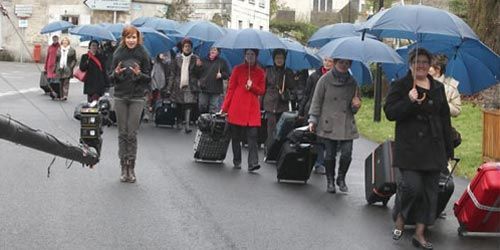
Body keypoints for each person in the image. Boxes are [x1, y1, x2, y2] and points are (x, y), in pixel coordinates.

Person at [384, 48, 453, 250]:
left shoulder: (438, 87)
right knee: (413, 188)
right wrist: (409, 100)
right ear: (410, 64)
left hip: (433, 148)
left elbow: (444, 120)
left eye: (425, 62)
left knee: (430, 193)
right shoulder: (401, 85)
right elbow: (390, 113)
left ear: (430, 64)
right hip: (410, 149)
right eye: (417, 61)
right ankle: (401, 216)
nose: (421, 65)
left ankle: (420, 234)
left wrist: (448, 149)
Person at [308, 58, 361, 193]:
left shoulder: (353, 83)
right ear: (335, 63)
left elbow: (354, 107)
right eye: (341, 62)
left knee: (347, 154)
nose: (343, 65)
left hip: (346, 123)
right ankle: (330, 180)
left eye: (347, 63)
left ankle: (341, 178)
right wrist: (313, 120)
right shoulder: (324, 80)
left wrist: (356, 105)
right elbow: (316, 100)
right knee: (330, 154)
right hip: (328, 122)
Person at [110, 25, 152, 183]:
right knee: (122, 133)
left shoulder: (143, 53)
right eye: (128, 37)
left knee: (131, 134)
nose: (131, 40)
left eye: (134, 37)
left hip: (137, 97)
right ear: (124, 38)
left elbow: (148, 78)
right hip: (120, 96)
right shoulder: (118, 53)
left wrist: (139, 74)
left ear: (138, 38)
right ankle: (123, 167)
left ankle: (131, 167)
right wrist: (116, 73)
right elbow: (110, 76)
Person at [221, 49, 265, 172]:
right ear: (244, 56)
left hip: (252, 109)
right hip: (237, 107)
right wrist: (225, 108)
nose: (249, 57)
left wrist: (252, 87)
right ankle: (237, 160)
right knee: (236, 136)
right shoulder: (237, 69)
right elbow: (230, 89)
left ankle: (253, 163)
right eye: (247, 54)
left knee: (253, 136)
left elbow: (261, 90)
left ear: (256, 56)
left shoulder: (261, 72)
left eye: (252, 54)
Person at [299, 56, 335, 175]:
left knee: (327, 139)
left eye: (330, 61)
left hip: (330, 112)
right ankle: (319, 163)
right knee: (317, 138)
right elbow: (306, 94)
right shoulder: (314, 76)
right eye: (326, 60)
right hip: (314, 110)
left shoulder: (336, 79)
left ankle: (323, 161)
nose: (327, 63)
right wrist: (301, 111)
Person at [263, 48, 295, 151]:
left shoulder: (288, 72)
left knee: (281, 127)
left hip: (282, 103)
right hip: (270, 102)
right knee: (271, 127)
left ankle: (278, 148)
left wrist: (285, 85)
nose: (279, 60)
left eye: (281, 58)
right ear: (274, 59)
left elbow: (292, 87)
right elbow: (264, 86)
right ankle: (270, 147)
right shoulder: (268, 70)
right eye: (277, 58)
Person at [167, 38, 203, 133]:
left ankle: (187, 125)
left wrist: (199, 66)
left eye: (189, 47)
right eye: (185, 46)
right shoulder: (177, 57)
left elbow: (198, 74)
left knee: (188, 105)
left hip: (191, 85)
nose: (187, 48)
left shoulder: (195, 58)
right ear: (182, 48)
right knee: (179, 105)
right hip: (179, 84)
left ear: (191, 48)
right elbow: (173, 73)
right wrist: (169, 88)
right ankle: (179, 122)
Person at [198, 47, 230, 114]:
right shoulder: (203, 60)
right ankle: (203, 120)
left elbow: (227, 74)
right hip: (204, 87)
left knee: (213, 107)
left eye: (215, 50)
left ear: (218, 52)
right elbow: (197, 73)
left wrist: (221, 75)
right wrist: (197, 66)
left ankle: (211, 122)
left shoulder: (222, 62)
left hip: (215, 88)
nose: (212, 51)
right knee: (202, 105)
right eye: (211, 49)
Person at [54, 36, 77, 101]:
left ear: (68, 42)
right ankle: (61, 96)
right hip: (60, 68)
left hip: (67, 68)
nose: (65, 42)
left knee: (66, 82)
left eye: (66, 41)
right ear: (62, 42)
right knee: (60, 82)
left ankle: (65, 95)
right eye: (63, 41)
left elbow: (74, 60)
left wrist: (71, 66)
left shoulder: (72, 50)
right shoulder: (58, 49)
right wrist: (55, 67)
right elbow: (56, 59)